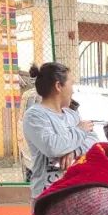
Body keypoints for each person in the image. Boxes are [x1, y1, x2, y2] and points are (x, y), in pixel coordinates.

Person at [22, 62, 97, 199]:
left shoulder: (72, 115)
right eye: (71, 84)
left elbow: (93, 140)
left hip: (73, 191)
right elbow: (52, 147)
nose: (73, 91)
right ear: (58, 86)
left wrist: (73, 151)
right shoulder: (35, 115)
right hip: (48, 195)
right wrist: (80, 131)